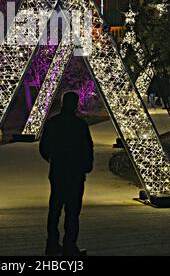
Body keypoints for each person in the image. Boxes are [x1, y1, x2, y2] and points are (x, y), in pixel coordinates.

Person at [39, 91, 94, 256]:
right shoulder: (80, 125)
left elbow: (43, 147)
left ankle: (52, 244)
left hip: (58, 171)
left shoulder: (53, 123)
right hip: (75, 173)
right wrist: (86, 166)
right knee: (72, 211)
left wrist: (53, 160)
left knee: (55, 209)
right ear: (75, 104)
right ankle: (70, 245)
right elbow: (87, 147)